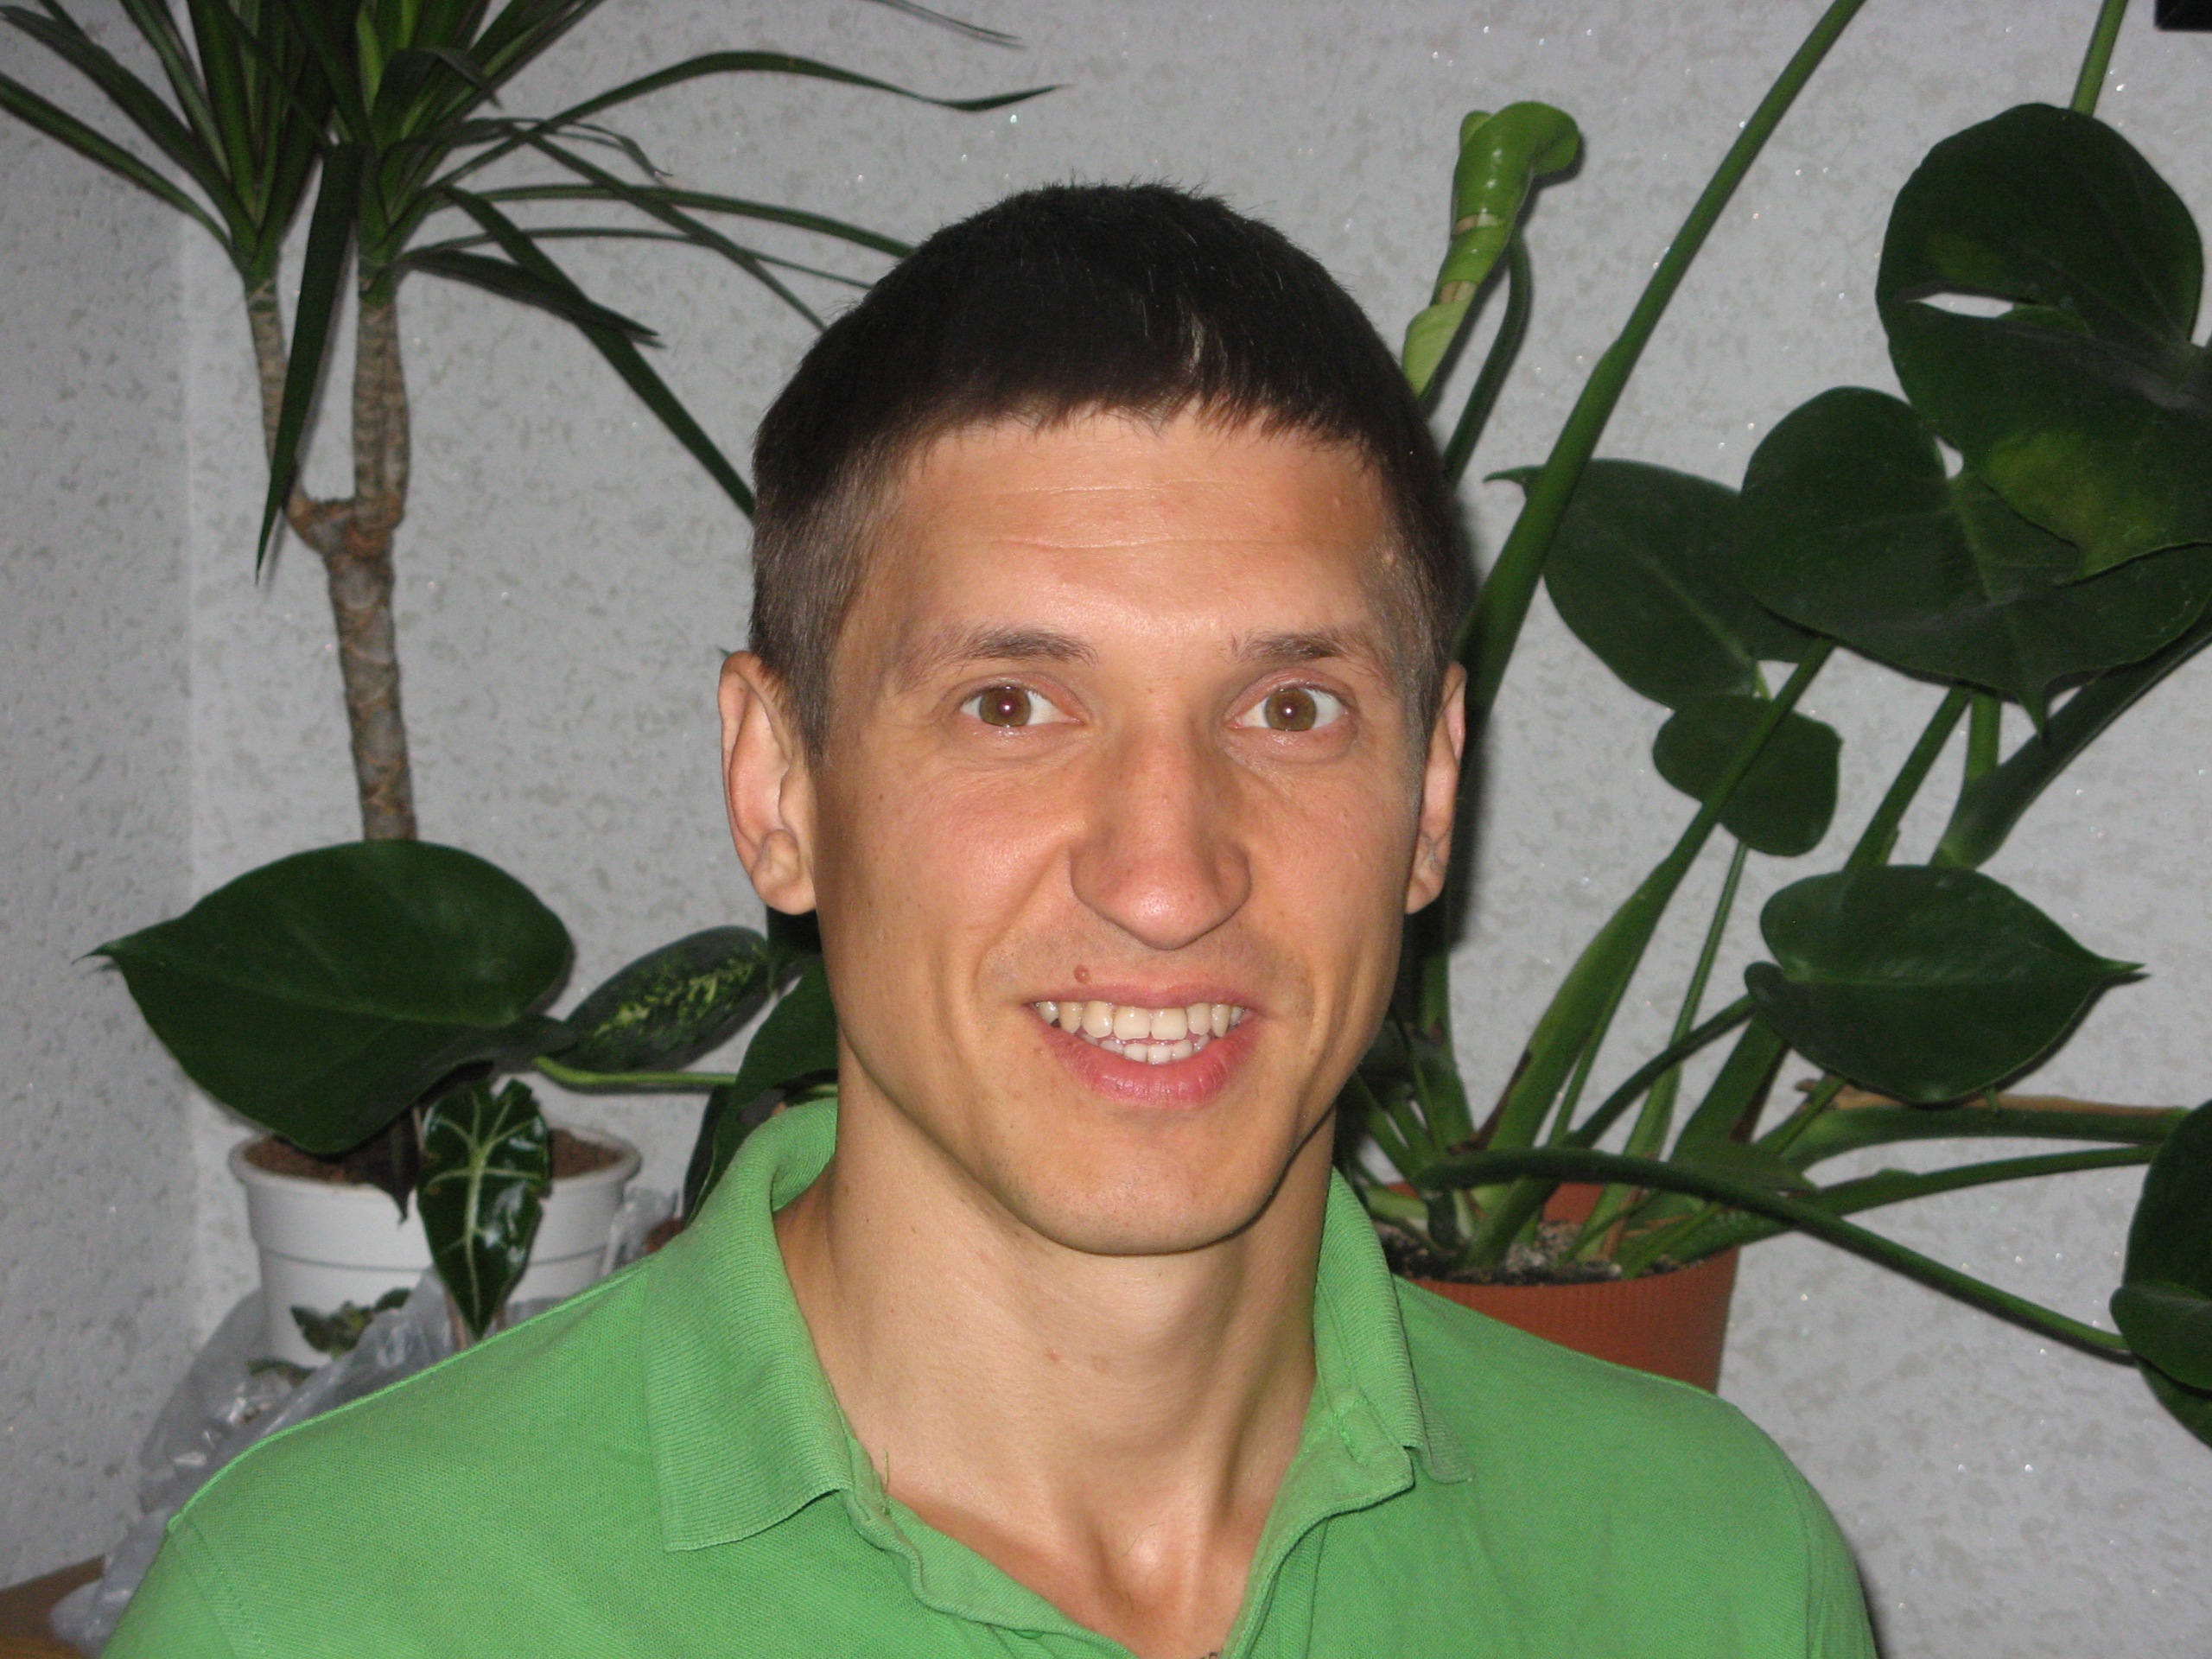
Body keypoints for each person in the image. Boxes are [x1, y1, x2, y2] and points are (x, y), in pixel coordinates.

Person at [107, 183, 1876, 1658]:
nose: (1167, 878)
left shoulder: (1712, 1571)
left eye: (1289, 710)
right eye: (1010, 706)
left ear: (1427, 798)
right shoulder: (327, 1616)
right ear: (779, 788)